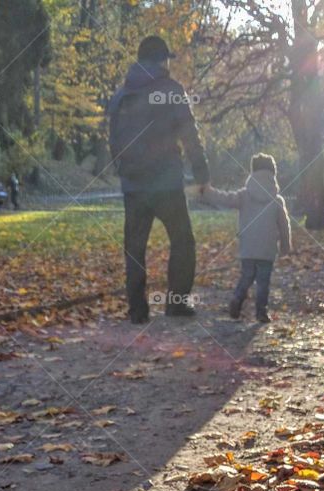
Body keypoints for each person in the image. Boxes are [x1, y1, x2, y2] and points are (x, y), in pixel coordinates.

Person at [108, 34, 210, 323]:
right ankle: (176, 303)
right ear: (162, 60)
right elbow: (189, 135)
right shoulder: (172, 90)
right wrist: (201, 171)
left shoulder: (120, 96)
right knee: (182, 241)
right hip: (166, 183)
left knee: (135, 247)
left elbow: (112, 141)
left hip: (133, 185)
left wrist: (123, 169)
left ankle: (137, 310)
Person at [203, 154, 292, 323]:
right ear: (273, 173)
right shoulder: (277, 200)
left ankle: (237, 299)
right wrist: (285, 247)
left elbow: (225, 198)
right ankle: (261, 312)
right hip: (267, 249)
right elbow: (284, 225)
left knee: (247, 276)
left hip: (248, 247)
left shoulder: (244, 196)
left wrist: (208, 192)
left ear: (252, 172)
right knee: (263, 282)